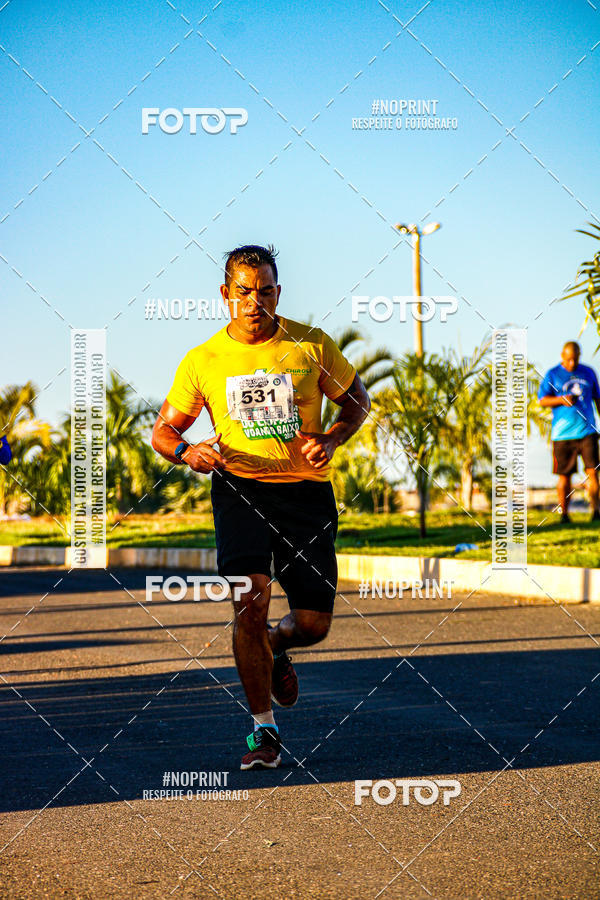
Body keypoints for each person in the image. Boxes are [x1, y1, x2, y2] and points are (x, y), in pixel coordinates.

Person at [151, 245, 370, 769]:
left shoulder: (310, 346)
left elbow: (357, 400)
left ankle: (276, 647)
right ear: (226, 295)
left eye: (266, 291)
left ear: (279, 292)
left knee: (315, 622)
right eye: (245, 291)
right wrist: (188, 451)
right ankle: (263, 731)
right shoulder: (203, 360)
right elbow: (164, 430)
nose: (256, 302)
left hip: (305, 494)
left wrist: (334, 437)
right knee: (249, 601)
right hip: (240, 489)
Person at [538, 341, 600, 523]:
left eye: (576, 359)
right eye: (569, 359)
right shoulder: (553, 374)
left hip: (587, 430)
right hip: (562, 434)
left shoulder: (588, 372)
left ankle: (596, 511)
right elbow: (542, 400)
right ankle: (564, 514)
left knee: (593, 472)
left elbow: (597, 398)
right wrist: (561, 399)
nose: (572, 363)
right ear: (562, 356)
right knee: (564, 477)